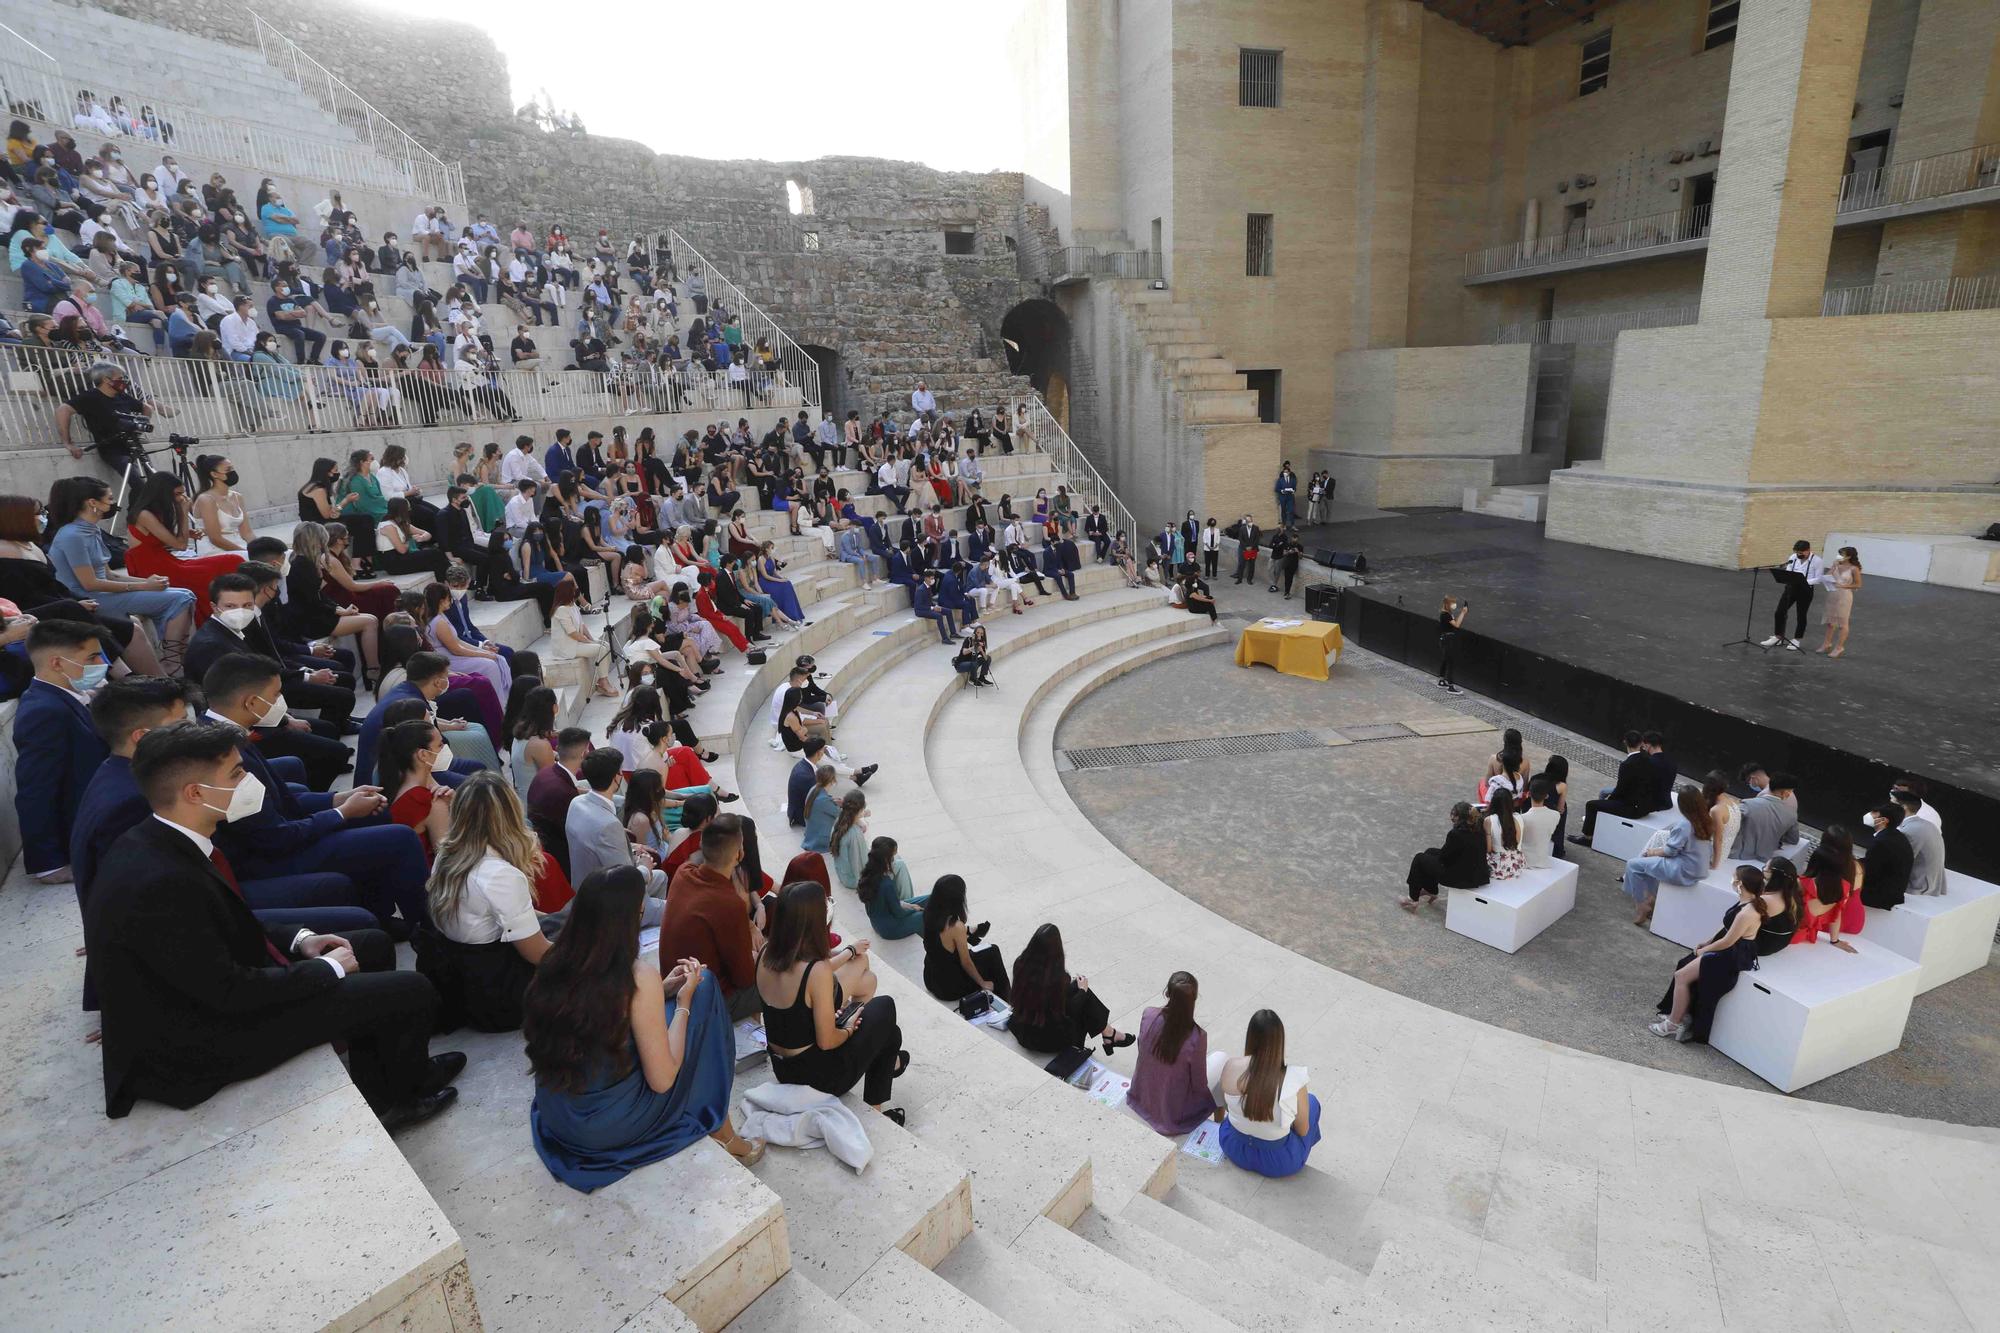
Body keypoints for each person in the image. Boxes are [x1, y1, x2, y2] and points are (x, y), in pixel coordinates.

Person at [84, 721, 461, 1128]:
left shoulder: (165, 839)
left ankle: (391, 1079)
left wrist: (301, 940)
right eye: (235, 774)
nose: (247, 781)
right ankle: (400, 1099)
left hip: (217, 993)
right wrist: (324, 970)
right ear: (194, 793)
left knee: (371, 943)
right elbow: (227, 992)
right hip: (203, 1042)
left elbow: (228, 921)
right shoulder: (161, 880)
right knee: (410, 989)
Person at [526, 866, 763, 1191]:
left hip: (561, 1112)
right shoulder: (636, 976)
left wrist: (660, 990)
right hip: (604, 1126)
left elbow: (609, 1010)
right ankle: (723, 1132)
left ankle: (724, 1130)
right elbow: (663, 1079)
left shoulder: (556, 961)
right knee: (704, 989)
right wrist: (682, 1002)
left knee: (692, 995)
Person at [203, 653, 433, 933]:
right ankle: (428, 929)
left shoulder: (227, 733)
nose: (280, 703)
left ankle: (380, 914)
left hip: (278, 833)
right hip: (268, 857)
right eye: (276, 695)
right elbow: (276, 837)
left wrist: (339, 798)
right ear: (251, 702)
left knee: (380, 811)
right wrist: (341, 813)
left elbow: (280, 797)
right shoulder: (220, 752)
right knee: (401, 838)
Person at [414, 770, 555, 1032]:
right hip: (501, 996)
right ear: (510, 815)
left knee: (561, 921)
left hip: (465, 978)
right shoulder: (500, 875)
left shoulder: (447, 852)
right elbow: (536, 953)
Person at [756, 882, 907, 1122]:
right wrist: (847, 1030)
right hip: (817, 1077)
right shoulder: (814, 970)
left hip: (783, 1068)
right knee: (885, 1007)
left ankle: (890, 1070)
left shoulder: (765, 953)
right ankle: (880, 1097)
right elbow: (827, 1042)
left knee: (889, 1034)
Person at [46, 476, 196, 661]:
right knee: (182, 598)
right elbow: (90, 583)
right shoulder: (73, 535)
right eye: (109, 498)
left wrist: (149, 582)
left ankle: (173, 655)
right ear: (93, 503)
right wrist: (143, 586)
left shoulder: (90, 529)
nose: (113, 502)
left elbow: (109, 574)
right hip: (89, 598)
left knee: (183, 593)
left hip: (104, 593)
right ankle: (173, 661)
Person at [1650, 863, 1801, 1043]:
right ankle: (1678, 1015)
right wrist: (1707, 942)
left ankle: (1673, 1023)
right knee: (1683, 972)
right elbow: (1727, 929)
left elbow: (1729, 941)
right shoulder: (1748, 902)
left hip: (1731, 953)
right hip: (1728, 948)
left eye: (1734, 877)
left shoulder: (1749, 911)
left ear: (1740, 884)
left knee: (1682, 975)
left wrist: (1704, 950)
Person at [13, 620, 114, 883]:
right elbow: (36, 790)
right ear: (57, 663)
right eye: (92, 657)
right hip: (86, 832)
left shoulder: (67, 697)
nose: (101, 663)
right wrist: (48, 864)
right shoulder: (44, 711)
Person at [660, 819, 765, 1020]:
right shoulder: (729, 904)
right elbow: (744, 978)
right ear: (739, 854)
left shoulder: (684, 873)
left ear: (702, 846)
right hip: (705, 1001)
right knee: (773, 981)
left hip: (672, 981)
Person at [1208, 1010, 1319, 1177]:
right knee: (1312, 1103)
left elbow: (1230, 1107)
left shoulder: (1230, 1066)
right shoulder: (1294, 1080)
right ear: (1280, 1041)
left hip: (1233, 1146)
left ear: (1250, 1037)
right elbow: (1303, 1131)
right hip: (1279, 1162)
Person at [123, 473, 242, 622]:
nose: (181, 498)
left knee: (233, 560)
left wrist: (187, 533)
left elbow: (161, 540)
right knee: (225, 564)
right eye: (177, 494)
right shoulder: (144, 514)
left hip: (166, 561)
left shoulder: (155, 512)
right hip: (153, 569)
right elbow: (180, 545)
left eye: (182, 493)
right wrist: (183, 512)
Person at [1008, 923, 1135, 1055]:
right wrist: (1083, 991)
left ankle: (1109, 1033)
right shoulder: (1058, 979)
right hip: (1044, 1041)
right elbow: (1068, 1010)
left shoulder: (1020, 963)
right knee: (1084, 999)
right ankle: (1108, 1035)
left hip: (1022, 1027)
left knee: (1077, 989)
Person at [568, 748, 671, 902]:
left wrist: (633, 846)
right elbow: (627, 880)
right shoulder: (608, 825)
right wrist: (644, 866)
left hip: (585, 886)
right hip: (609, 901)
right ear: (617, 777)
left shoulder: (576, 803)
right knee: (668, 908)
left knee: (661, 876)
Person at [1129, 972, 1219, 1137]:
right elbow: (1199, 1083)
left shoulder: (1148, 1014)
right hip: (1171, 1113)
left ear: (1167, 993)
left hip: (1141, 1095)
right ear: (1194, 999)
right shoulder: (1197, 1037)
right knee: (1220, 1063)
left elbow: (1141, 1049)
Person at [1621, 787, 1714, 927]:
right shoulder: (1706, 820)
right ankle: (1650, 899)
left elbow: (1671, 851)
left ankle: (1641, 904)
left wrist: (1652, 852)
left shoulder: (1684, 824)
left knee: (1633, 865)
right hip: (1699, 868)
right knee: (1651, 865)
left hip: (1683, 869)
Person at [920, 875, 1006, 1003]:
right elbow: (966, 962)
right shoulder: (956, 926)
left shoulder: (928, 912)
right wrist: (983, 983)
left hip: (931, 977)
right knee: (993, 955)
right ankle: (1005, 999)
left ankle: (970, 931)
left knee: (990, 951)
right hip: (950, 988)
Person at [1571, 732, 1657, 849]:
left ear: (1625, 743)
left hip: (1632, 808)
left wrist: (1610, 800)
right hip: (1645, 805)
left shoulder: (1627, 764)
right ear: (1641, 743)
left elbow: (1621, 790)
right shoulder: (1648, 759)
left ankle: (1588, 837)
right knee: (1603, 799)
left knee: (1591, 805)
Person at [1403, 801, 1487, 910]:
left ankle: (1412, 898)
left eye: (1454, 815)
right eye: (1451, 814)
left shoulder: (1456, 834)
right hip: (1472, 870)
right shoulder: (1478, 829)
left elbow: (1444, 858)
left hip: (1460, 877)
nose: (1452, 817)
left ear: (1461, 817)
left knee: (1419, 858)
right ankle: (1430, 889)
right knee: (1430, 852)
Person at [856, 836, 928, 940]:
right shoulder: (886, 883)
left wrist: (910, 906)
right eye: (893, 856)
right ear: (886, 858)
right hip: (890, 929)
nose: (894, 859)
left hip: (879, 922)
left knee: (929, 898)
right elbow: (899, 912)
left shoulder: (867, 875)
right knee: (923, 915)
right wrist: (914, 910)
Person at [1792, 841, 1862, 948]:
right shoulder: (1844, 887)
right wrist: (1835, 940)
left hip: (1788, 934)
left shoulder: (1802, 883)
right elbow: (1836, 916)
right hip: (1807, 937)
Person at [1761, 540, 1826, 651]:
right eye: (1797, 552)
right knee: (1780, 612)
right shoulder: (1793, 557)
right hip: (1791, 588)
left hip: (1805, 590)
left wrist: (1804, 582)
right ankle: (1778, 636)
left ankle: (1796, 639)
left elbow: (1819, 578)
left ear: (1808, 550)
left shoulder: (1817, 561)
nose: (1799, 555)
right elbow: (1789, 570)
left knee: (1801, 615)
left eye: (1801, 553)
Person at [1731, 772, 1799, 862]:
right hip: (1764, 859)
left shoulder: (1747, 804)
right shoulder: (1791, 814)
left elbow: (1729, 825)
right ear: (1785, 793)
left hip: (1738, 855)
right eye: (1791, 791)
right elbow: (1793, 840)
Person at [1858, 804, 1913, 909]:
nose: (1870, 815)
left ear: (1884, 820)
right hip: (1891, 890)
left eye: (1874, 814)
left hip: (1881, 895)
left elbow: (1870, 872)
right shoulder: (1896, 836)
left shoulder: (1882, 842)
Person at [1895, 788, 1947, 897]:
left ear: (1903, 808)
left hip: (1920, 887)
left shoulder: (1911, 830)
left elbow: (1898, 863)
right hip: (1933, 883)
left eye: (1891, 803)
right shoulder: (1925, 824)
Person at [1816, 546, 1862, 658]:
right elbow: (1827, 576)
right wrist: (1834, 566)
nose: (1840, 556)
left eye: (1843, 554)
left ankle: (1839, 647)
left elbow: (1858, 584)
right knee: (1830, 622)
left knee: (1842, 622)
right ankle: (1827, 643)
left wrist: (1843, 585)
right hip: (1832, 594)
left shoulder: (1854, 569)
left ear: (1849, 556)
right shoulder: (1837, 565)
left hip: (1844, 596)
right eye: (1840, 553)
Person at [1519, 777, 1562, 869]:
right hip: (1543, 860)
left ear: (1529, 794)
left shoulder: (1522, 818)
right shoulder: (1555, 815)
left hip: (1524, 861)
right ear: (1546, 796)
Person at [1484, 790, 1526, 883]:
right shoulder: (1518, 817)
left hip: (1498, 867)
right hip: (1516, 864)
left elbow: (1489, 849)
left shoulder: (1489, 820)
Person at [1435, 593, 1468, 694]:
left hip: (1445, 639)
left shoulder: (1446, 613)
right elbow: (1457, 625)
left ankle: (1441, 681)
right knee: (1450, 662)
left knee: (1445, 660)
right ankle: (1450, 687)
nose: (1454, 604)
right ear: (1448, 604)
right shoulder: (1446, 615)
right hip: (1447, 640)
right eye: (1453, 603)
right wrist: (1463, 613)